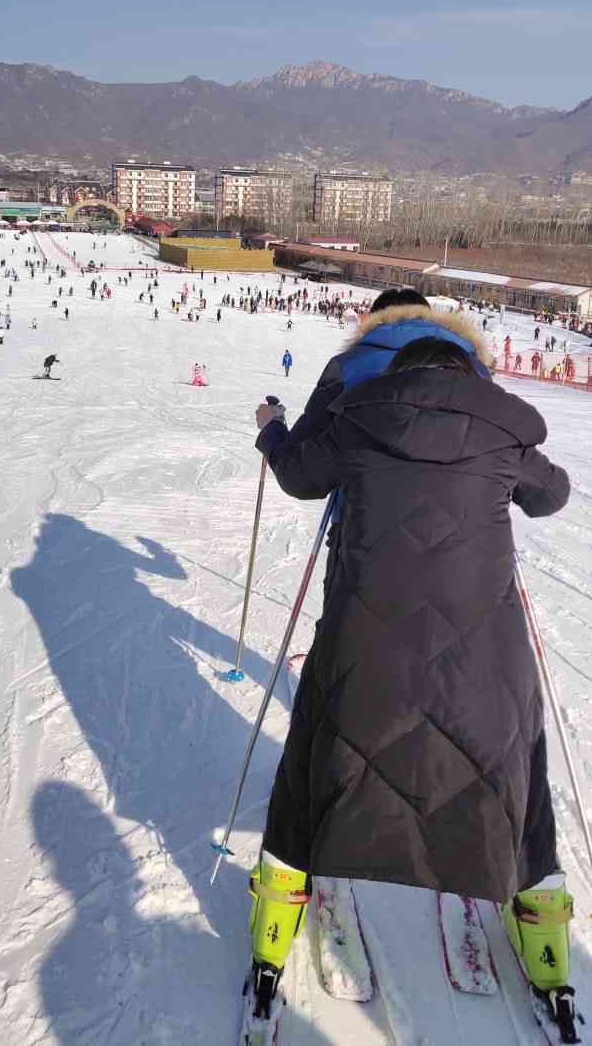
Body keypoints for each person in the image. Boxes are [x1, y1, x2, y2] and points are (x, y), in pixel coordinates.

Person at [246, 336, 573, 1026]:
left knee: (316, 759)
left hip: (367, 634)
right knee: (517, 763)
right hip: (484, 649)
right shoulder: (500, 429)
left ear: (399, 374)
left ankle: (277, 910)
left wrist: (270, 427)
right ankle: (542, 923)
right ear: (464, 373)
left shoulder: (363, 415)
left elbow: (300, 476)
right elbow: (553, 497)